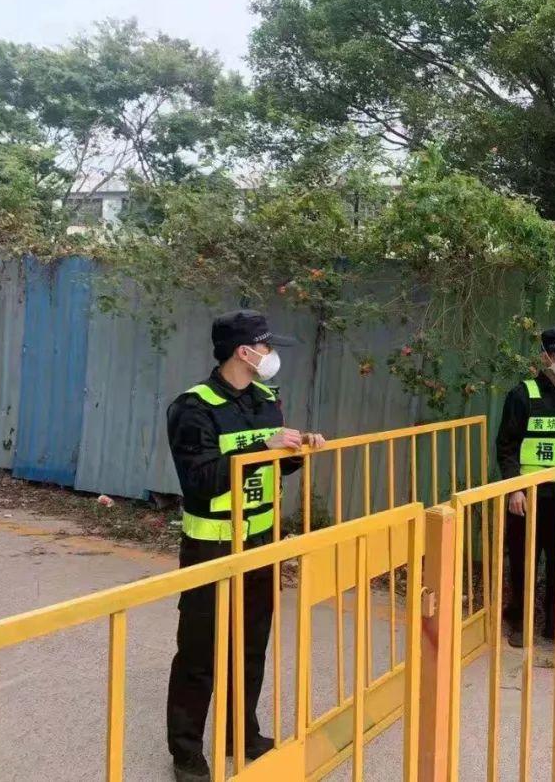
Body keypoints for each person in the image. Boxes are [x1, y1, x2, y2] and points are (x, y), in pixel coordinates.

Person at [165, 310, 325, 782]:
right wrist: (263, 449)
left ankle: (241, 733)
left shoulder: (266, 399)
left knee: (251, 646)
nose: (272, 355)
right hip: (212, 546)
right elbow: (199, 481)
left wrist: (296, 450)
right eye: (267, 346)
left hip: (261, 543)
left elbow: (273, 465)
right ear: (244, 352)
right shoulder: (194, 407)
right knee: (199, 656)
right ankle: (186, 753)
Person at [496, 327, 555, 650]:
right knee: (524, 560)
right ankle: (520, 622)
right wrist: (515, 489)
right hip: (529, 495)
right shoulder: (522, 395)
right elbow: (506, 446)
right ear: (547, 358)